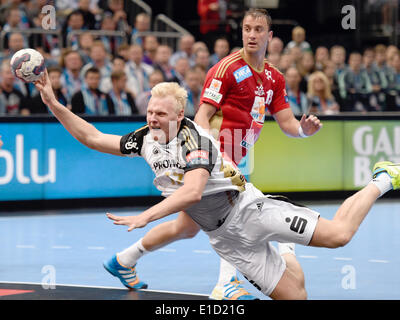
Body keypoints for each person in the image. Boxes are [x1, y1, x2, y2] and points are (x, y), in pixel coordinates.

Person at [35, 74, 400, 300]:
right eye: (149, 112)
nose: (151, 118)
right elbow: (94, 136)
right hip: (224, 238)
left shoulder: (196, 140)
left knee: (339, 235)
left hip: (250, 211)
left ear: (179, 116)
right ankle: (285, 247)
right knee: (296, 294)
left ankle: (382, 179)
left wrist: (146, 215)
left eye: (160, 114)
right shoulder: (145, 138)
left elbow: (192, 193)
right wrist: (53, 104)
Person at [99, 8, 322, 301]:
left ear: (269, 36)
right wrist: (207, 158)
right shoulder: (226, 68)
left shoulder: (274, 78)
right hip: (216, 156)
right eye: (246, 28)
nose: (251, 35)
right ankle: (226, 283)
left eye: (257, 30)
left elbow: (288, 124)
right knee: (234, 217)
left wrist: (304, 130)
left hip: (237, 152)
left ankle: (123, 260)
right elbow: (202, 116)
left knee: (186, 227)